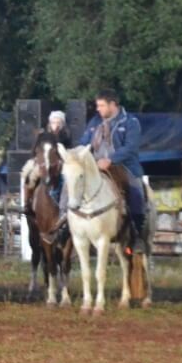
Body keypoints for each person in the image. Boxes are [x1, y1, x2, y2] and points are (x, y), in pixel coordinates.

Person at [73, 89, 147, 253]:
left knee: (135, 191)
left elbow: (131, 147)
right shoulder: (95, 122)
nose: (98, 109)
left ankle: (138, 234)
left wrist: (111, 160)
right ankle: (66, 224)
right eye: (97, 105)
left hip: (124, 166)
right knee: (71, 184)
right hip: (95, 167)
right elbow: (84, 142)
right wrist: (75, 154)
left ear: (113, 105)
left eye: (101, 105)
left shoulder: (130, 122)